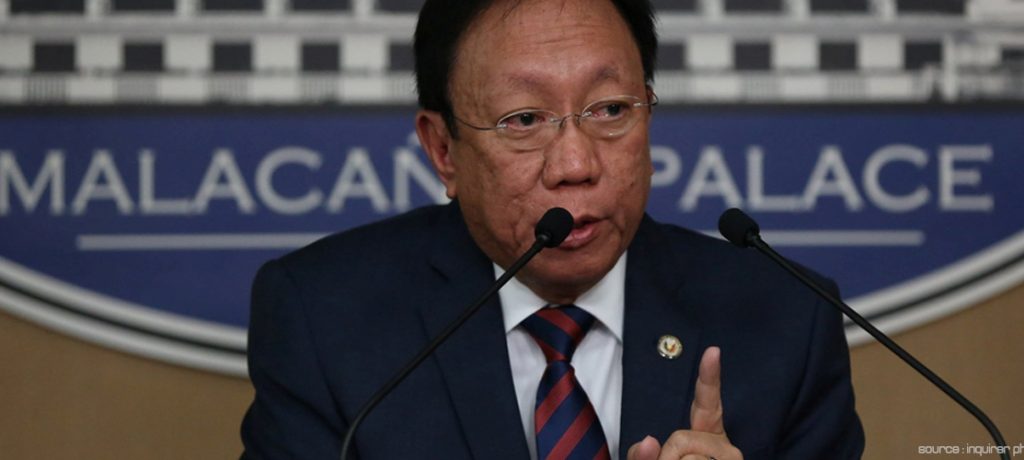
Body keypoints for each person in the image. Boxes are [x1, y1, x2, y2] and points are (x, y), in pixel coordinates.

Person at [240, 0, 865, 458]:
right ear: (443, 151)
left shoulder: (785, 321)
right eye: (523, 120)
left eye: (611, 109)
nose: (575, 165)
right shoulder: (323, 319)